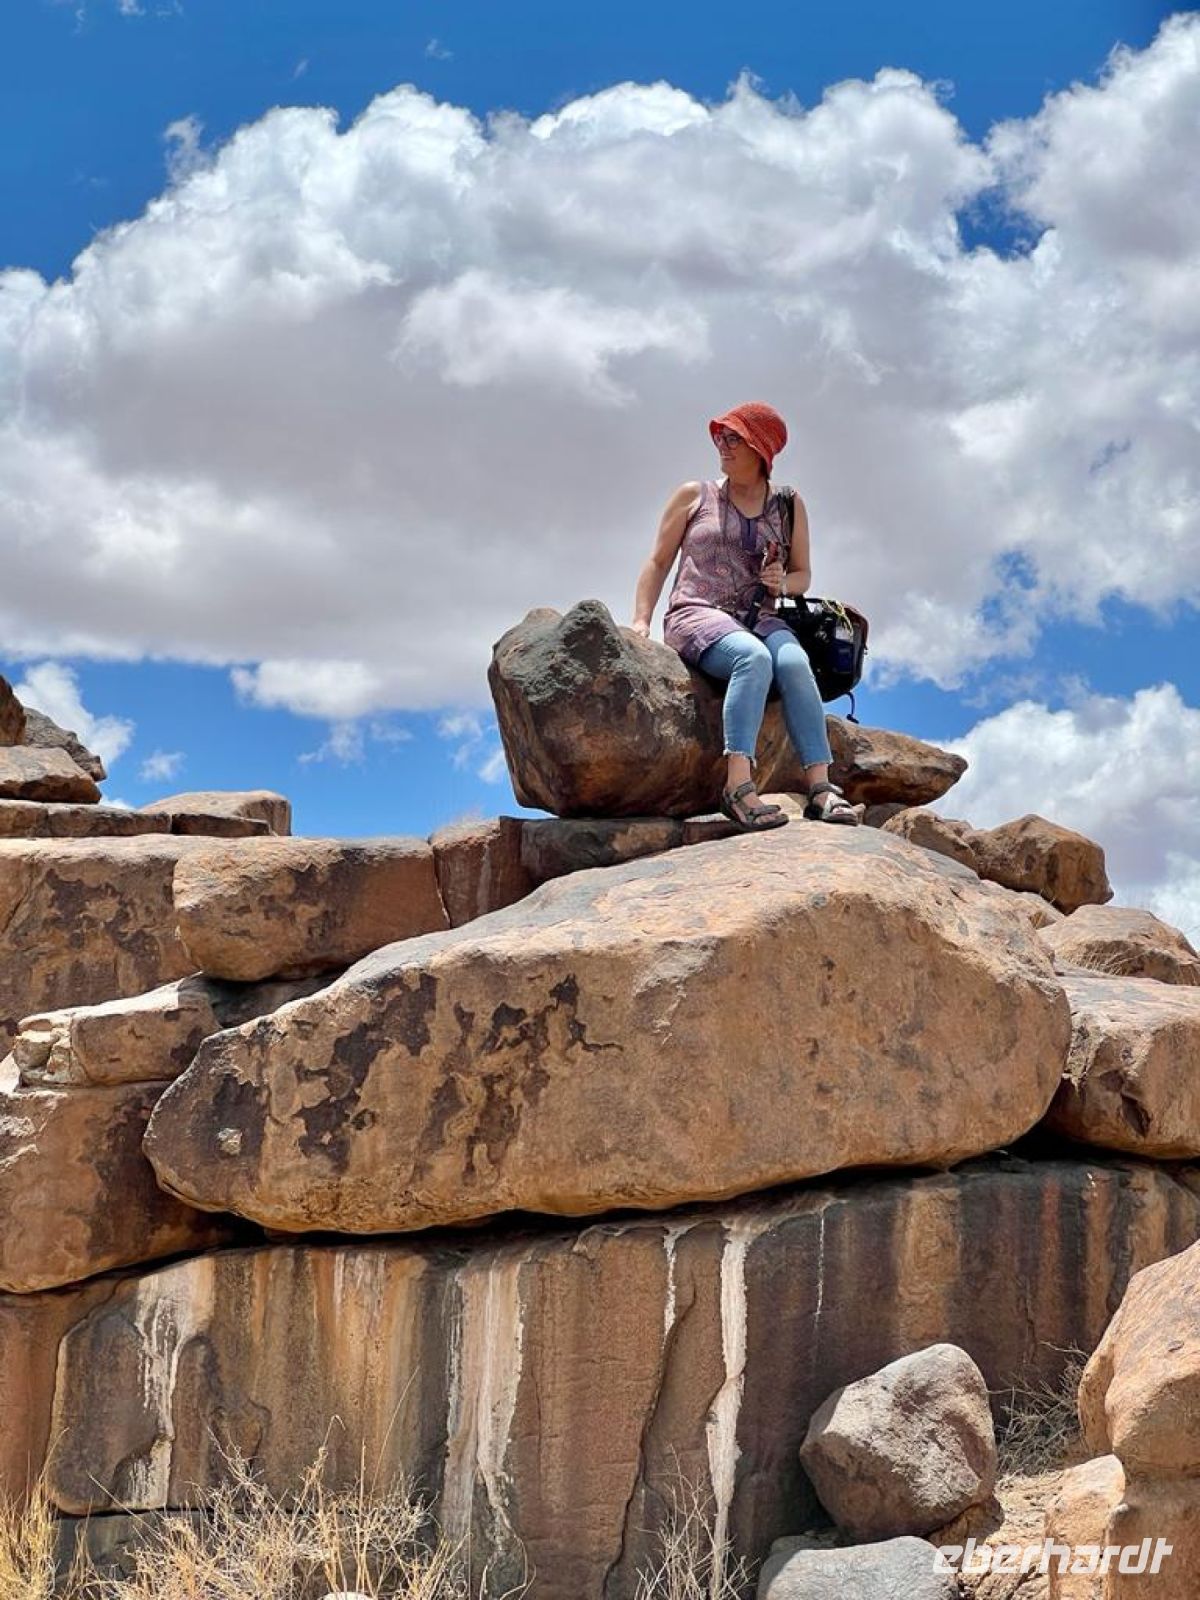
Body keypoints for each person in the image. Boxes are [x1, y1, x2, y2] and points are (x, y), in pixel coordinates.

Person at [631, 402, 858, 831]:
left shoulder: (788, 504)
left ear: (761, 449)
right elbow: (658, 561)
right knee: (752, 658)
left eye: (734, 438)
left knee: (794, 663)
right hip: (696, 612)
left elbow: (803, 575)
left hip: (760, 618)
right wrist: (641, 621)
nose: (723, 445)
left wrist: (781, 583)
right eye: (721, 436)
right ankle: (737, 787)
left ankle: (821, 789)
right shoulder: (694, 495)